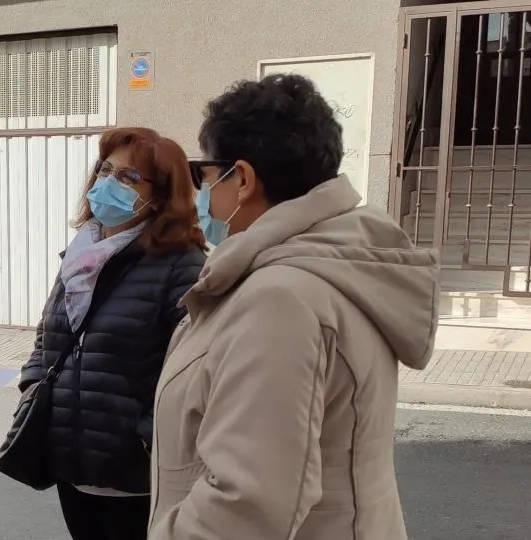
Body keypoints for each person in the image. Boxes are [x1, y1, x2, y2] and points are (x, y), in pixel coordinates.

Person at [148, 74, 439, 540]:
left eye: (205, 175)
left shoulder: (280, 299)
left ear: (243, 179)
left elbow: (245, 507)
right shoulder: (325, 268)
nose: (203, 195)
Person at [16, 127, 207, 540]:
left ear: (160, 195)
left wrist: (148, 439)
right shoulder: (82, 253)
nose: (108, 182)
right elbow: (48, 334)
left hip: (133, 476)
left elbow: (191, 369)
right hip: (71, 461)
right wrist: (32, 387)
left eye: (128, 177)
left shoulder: (182, 264)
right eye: (105, 169)